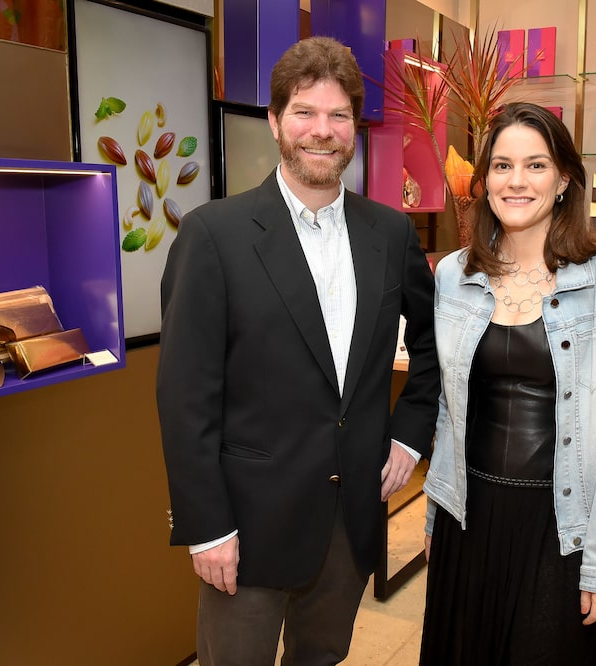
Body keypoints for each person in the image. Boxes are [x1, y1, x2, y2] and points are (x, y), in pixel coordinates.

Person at [156, 36, 440, 666]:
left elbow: (435, 346)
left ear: (355, 129)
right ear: (275, 122)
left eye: (338, 116)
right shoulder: (214, 236)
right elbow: (185, 398)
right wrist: (207, 526)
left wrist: (410, 434)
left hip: (349, 522)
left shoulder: (389, 233)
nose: (323, 130)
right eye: (305, 113)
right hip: (247, 530)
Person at [419, 102, 596, 665]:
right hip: (467, 514)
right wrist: (434, 513)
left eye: (536, 165)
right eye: (501, 166)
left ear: (565, 178)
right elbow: (451, 409)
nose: (516, 181)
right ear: (485, 180)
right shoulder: (454, 275)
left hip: (560, 523)